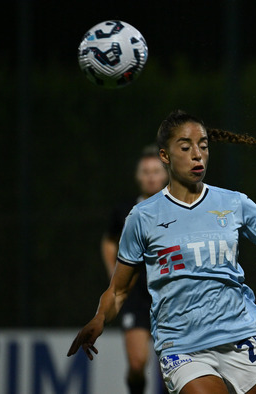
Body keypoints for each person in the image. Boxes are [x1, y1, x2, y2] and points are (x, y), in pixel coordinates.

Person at [68, 110, 256, 394]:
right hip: (183, 347)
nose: (197, 155)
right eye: (186, 147)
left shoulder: (234, 203)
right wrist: (100, 317)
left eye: (203, 146)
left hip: (242, 335)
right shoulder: (142, 217)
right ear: (165, 156)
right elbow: (118, 291)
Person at [101, 144, 168, 394]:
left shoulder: (178, 207)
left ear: (165, 174)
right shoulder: (124, 210)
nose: (151, 176)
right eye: (145, 171)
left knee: (172, 369)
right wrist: (113, 273)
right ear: (138, 176)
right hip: (135, 295)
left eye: (156, 171)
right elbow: (109, 242)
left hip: (169, 293)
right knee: (138, 363)